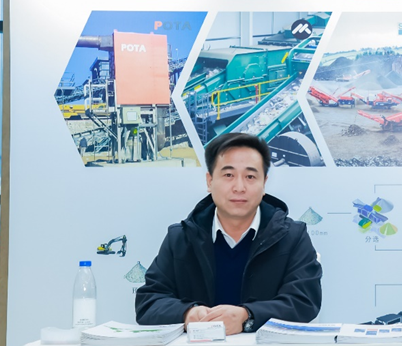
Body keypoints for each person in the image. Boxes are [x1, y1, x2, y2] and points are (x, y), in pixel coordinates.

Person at [135, 133, 322, 334]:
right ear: (209, 181)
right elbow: (149, 302)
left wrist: (247, 316)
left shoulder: (292, 237)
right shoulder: (181, 238)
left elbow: (304, 302)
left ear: (264, 183)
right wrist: (187, 314)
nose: (239, 188)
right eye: (228, 175)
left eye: (250, 177)